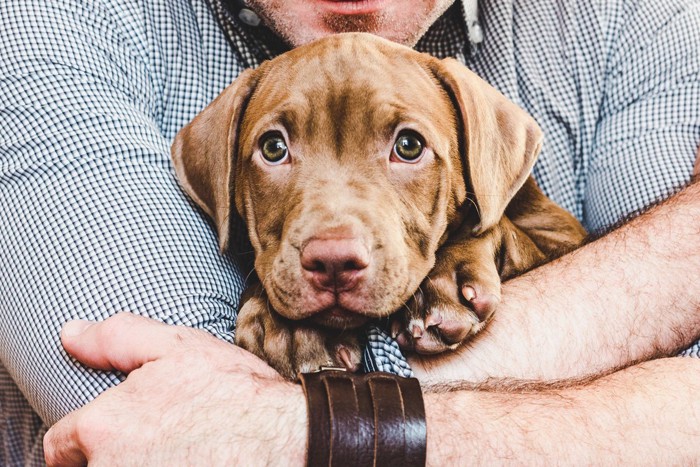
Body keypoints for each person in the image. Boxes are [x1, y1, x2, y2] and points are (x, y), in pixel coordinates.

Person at [0, 0, 698, 464]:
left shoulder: (635, 17)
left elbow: (219, 427)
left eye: (406, 146)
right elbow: (158, 431)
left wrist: (282, 423)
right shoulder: (58, 23)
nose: (337, 244)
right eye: (275, 149)